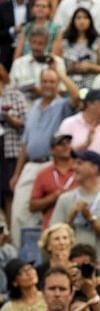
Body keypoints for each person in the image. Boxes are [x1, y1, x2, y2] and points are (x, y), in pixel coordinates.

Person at [9, 63, 79, 248]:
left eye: (52, 81)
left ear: (58, 84)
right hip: (31, 164)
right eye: (45, 81)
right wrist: (17, 173)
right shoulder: (33, 108)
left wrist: (60, 74)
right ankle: (21, 253)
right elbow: (25, 144)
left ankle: (44, 251)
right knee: (19, 212)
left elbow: (76, 96)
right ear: (40, 83)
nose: (48, 85)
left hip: (52, 163)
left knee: (48, 212)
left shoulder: (61, 105)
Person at [50, 150, 100, 263]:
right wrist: (70, 217)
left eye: (79, 163)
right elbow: (51, 236)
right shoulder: (65, 198)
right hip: (70, 265)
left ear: (94, 168)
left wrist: (91, 218)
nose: (74, 167)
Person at [59, 89, 100, 185]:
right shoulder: (69, 124)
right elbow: (61, 155)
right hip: (75, 184)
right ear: (89, 104)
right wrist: (85, 144)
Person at [30, 132, 78, 230]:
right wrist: (53, 197)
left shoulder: (80, 169)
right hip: (53, 227)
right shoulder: (43, 174)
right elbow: (32, 206)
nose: (66, 147)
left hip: (78, 225)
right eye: (61, 144)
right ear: (52, 150)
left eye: (68, 143)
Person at [52, 7, 100, 89]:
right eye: (78, 18)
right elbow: (54, 63)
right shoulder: (64, 39)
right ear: (73, 21)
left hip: (90, 82)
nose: (82, 21)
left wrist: (90, 66)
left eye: (85, 18)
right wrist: (70, 68)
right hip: (68, 82)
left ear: (90, 21)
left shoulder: (97, 40)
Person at [9, 27, 67, 103]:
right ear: (29, 42)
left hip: (51, 105)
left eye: (40, 43)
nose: (36, 47)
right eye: (34, 42)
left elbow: (63, 90)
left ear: (46, 44)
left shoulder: (57, 61)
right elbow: (11, 89)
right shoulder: (18, 63)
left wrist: (43, 91)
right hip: (23, 106)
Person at [0, 71, 27, 229]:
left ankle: (10, 231)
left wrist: (10, 119)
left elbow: (27, 123)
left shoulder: (16, 96)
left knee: (9, 192)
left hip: (10, 150)